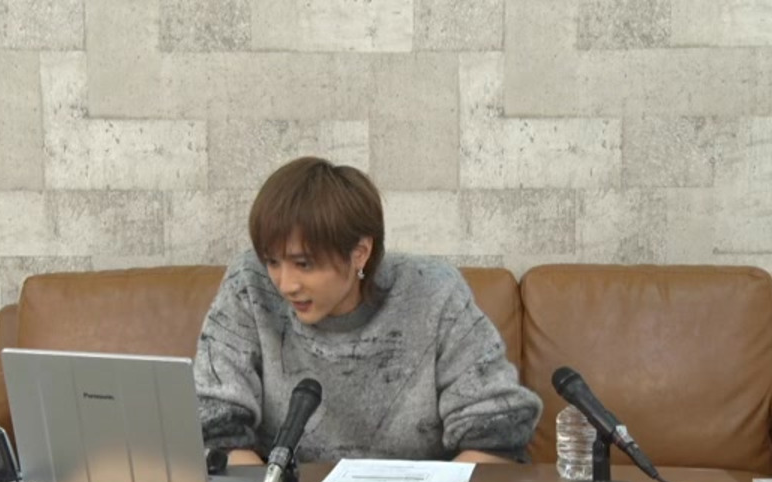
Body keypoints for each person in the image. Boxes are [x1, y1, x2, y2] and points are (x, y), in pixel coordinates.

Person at [193, 156, 543, 465]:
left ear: (359, 252)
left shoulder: (433, 291)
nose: (285, 284)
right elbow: (215, 424)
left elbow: (496, 432)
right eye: (272, 261)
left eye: (304, 264)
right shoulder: (250, 284)